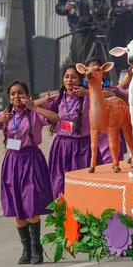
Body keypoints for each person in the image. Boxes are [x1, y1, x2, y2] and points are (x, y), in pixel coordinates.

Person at [0, 81, 58, 265]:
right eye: (13, 94)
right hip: (12, 161)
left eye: (20, 93)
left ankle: (36, 247)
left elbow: (55, 118)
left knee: (31, 204)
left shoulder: (34, 113)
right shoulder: (6, 115)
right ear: (9, 97)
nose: (17, 97)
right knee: (18, 209)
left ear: (27, 95)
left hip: (31, 159)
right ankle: (26, 249)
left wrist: (35, 107)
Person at [34, 64, 99, 197]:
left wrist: (88, 92)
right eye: (66, 77)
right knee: (59, 181)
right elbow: (29, 105)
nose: (69, 80)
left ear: (80, 80)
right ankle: (61, 213)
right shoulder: (58, 98)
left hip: (82, 146)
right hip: (61, 145)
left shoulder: (88, 97)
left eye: (74, 77)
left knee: (80, 181)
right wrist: (45, 100)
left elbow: (109, 94)